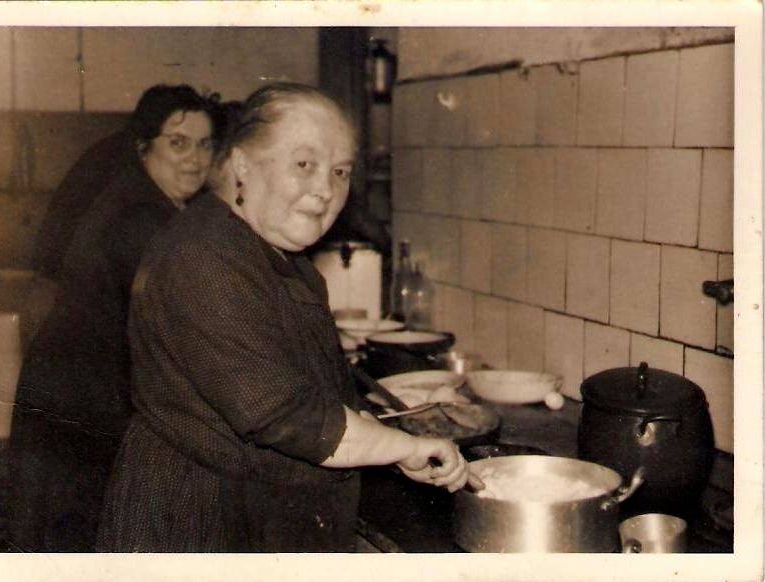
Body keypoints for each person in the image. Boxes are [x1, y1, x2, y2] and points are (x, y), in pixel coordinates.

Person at [95, 82, 479, 553]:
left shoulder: (277, 255)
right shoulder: (202, 257)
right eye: (304, 165)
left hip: (249, 509)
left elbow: (317, 389)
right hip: (194, 518)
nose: (325, 190)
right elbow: (279, 411)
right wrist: (405, 446)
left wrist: (389, 446)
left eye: (340, 171)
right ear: (242, 165)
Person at [7, 84, 225, 552]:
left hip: (76, 396)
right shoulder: (141, 219)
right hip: (82, 405)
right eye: (178, 143)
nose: (195, 159)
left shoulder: (148, 200)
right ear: (145, 147)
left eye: (205, 144)